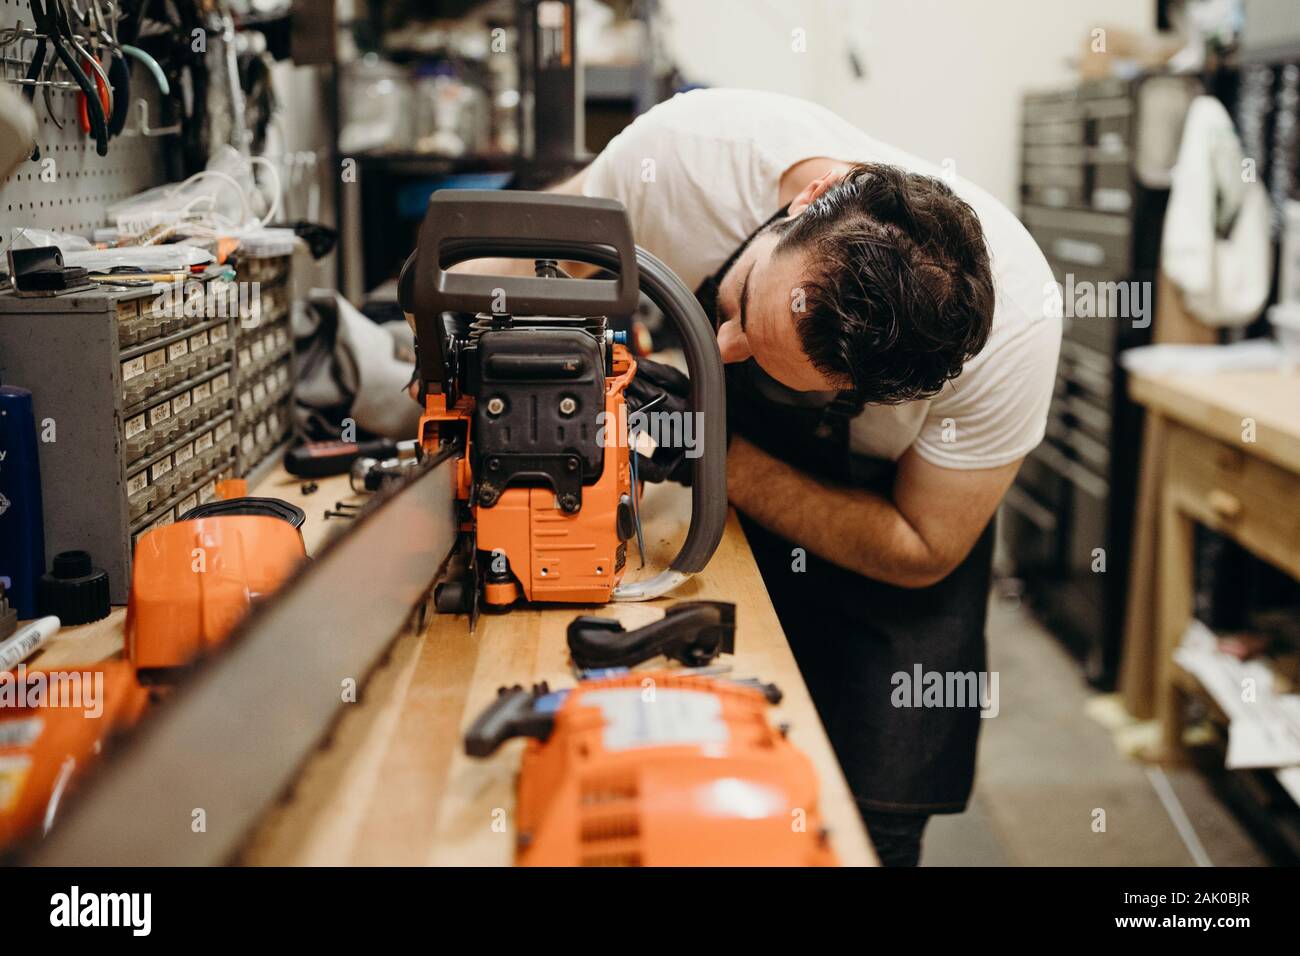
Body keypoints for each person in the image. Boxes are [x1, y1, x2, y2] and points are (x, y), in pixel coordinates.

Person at [422, 87, 1061, 866]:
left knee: (862, 829)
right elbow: (539, 240)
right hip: (731, 527)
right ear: (810, 199)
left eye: (773, 362)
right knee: (696, 802)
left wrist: (706, 451)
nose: (722, 347)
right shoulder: (693, 156)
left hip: (889, 559)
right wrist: (423, 314)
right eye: (743, 306)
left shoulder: (1015, 334)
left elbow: (922, 544)